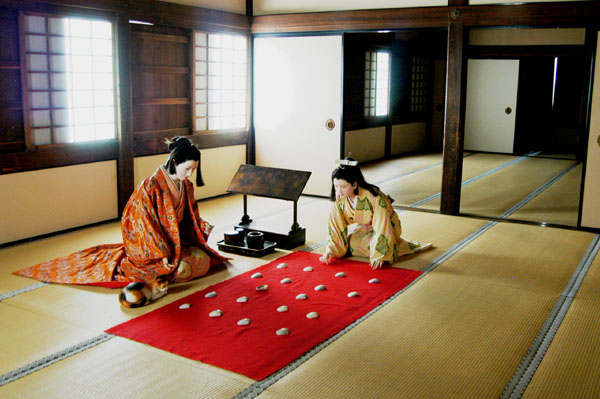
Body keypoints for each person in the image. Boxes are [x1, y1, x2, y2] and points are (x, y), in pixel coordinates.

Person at [14, 136, 227, 305]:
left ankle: (172, 270)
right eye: (187, 168)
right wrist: (162, 255)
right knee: (178, 269)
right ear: (174, 162)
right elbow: (141, 225)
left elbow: (190, 218)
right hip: (151, 250)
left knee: (201, 260)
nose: (190, 173)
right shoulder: (150, 187)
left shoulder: (186, 186)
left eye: (193, 169)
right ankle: (165, 272)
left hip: (175, 245)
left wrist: (194, 235)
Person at [319, 157, 431, 269]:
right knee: (350, 244)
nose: (339, 191)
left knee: (370, 247)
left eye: (343, 187)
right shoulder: (340, 198)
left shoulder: (374, 196)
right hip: (365, 228)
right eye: (336, 186)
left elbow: (382, 222)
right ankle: (381, 245)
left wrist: (380, 254)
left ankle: (392, 246)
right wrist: (331, 249)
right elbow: (335, 225)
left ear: (354, 184)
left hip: (387, 227)